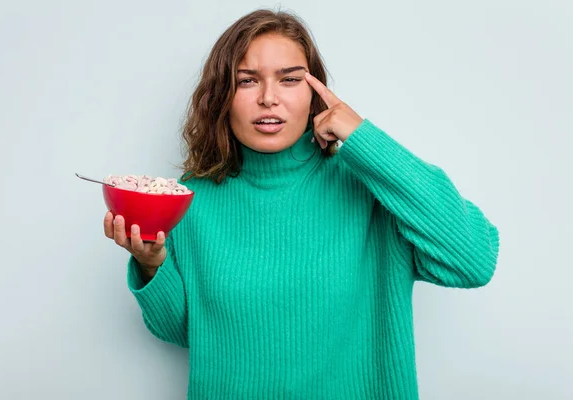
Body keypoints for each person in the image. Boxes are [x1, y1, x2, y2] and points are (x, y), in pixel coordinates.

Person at [103, 8, 500, 399]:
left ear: (315, 93)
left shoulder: (373, 189)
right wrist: (152, 265)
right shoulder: (191, 200)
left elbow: (474, 261)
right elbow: (185, 332)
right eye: (246, 81)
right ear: (221, 97)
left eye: (290, 79)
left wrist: (362, 138)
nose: (268, 98)